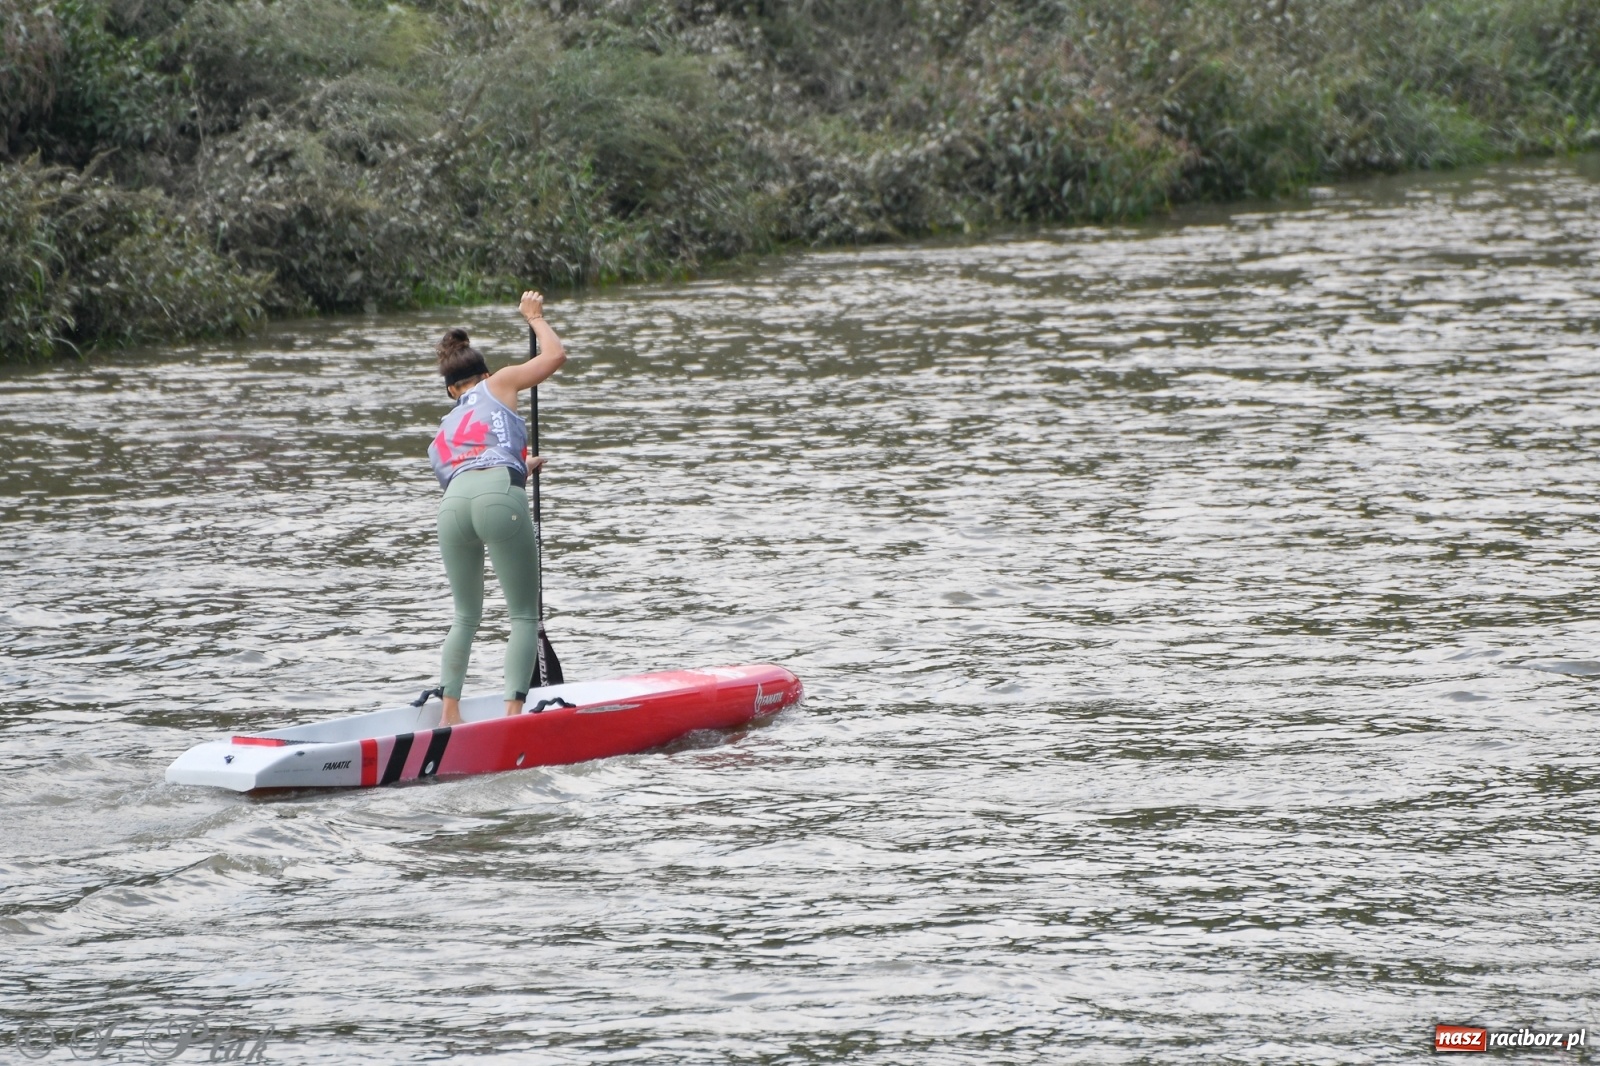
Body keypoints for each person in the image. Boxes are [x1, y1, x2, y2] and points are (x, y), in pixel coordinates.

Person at [427, 290, 566, 726]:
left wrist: (521, 466)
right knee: (523, 615)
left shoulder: (442, 430)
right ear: (485, 375)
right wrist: (535, 318)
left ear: (451, 391)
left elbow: (471, 469)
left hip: (452, 509)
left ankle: (449, 713)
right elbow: (555, 356)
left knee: (465, 615)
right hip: (499, 498)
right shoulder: (500, 382)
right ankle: (512, 715)